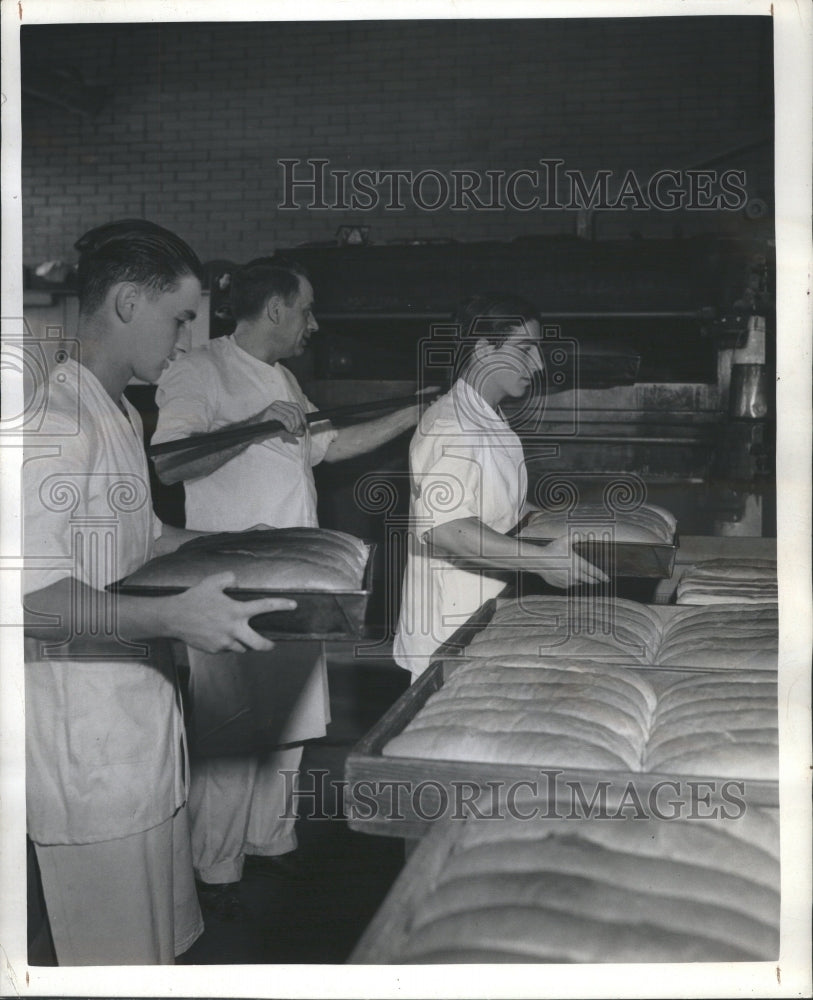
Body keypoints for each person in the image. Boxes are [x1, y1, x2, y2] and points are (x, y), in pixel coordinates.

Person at [22, 220, 297, 965]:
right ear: (123, 303)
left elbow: (143, 538)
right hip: (87, 746)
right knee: (110, 959)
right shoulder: (52, 424)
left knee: (155, 952)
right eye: (178, 318)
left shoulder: (114, 413)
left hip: (138, 728)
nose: (184, 340)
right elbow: (27, 600)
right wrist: (174, 616)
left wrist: (257, 554)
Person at [152, 256, 420, 913]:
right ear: (275, 309)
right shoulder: (199, 369)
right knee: (236, 732)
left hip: (299, 571)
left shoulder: (284, 377)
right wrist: (259, 427)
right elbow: (170, 461)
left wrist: (414, 413)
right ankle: (214, 871)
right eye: (305, 309)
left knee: (290, 724)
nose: (313, 322)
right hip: (233, 577)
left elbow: (331, 444)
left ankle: (271, 845)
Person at [393, 294, 607, 681]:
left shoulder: (487, 417)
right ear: (482, 349)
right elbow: (447, 529)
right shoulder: (451, 424)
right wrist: (543, 561)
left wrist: (558, 523)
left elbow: (500, 509)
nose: (538, 364)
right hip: (450, 629)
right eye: (525, 348)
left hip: (483, 614)